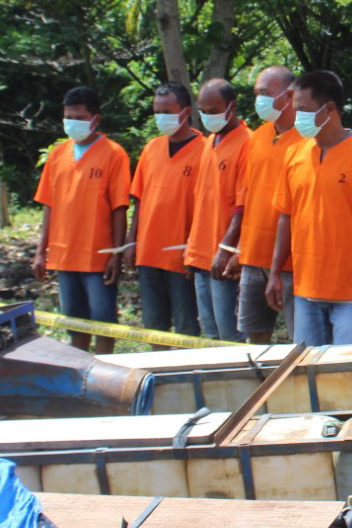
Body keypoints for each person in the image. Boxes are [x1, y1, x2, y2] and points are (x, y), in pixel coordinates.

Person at [267, 70, 352, 345]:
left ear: (329, 109)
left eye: (303, 110)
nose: (298, 117)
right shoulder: (294, 154)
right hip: (306, 289)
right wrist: (274, 273)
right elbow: (285, 217)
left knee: (348, 373)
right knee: (308, 371)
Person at [32, 86, 131, 354]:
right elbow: (48, 205)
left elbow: (119, 207)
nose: (72, 123)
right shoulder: (57, 154)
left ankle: (104, 372)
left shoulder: (114, 153)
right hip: (64, 255)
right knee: (74, 322)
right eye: (68, 117)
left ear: (95, 119)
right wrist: (41, 252)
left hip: (98, 255)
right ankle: (79, 369)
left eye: (78, 117)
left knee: (103, 321)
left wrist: (117, 254)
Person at [124, 82, 203, 343]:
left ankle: (186, 378)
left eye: (167, 111)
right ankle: (156, 379)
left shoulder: (205, 150)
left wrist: (196, 249)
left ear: (185, 111)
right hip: (148, 252)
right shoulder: (151, 149)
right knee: (153, 325)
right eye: (157, 111)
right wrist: (131, 240)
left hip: (181, 254)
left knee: (185, 325)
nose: (161, 117)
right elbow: (139, 200)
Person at [231, 66, 303, 343]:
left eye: (264, 93)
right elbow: (249, 192)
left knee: (302, 341)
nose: (258, 100)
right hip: (253, 256)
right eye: (256, 93)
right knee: (254, 338)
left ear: (290, 95)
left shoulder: (310, 139)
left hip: (293, 260)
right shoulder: (259, 136)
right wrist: (238, 246)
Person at [184, 79, 251, 342]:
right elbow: (201, 200)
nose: (207, 117)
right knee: (209, 335)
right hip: (201, 254)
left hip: (224, 258)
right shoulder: (209, 142)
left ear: (231, 107)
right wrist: (192, 251)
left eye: (213, 111)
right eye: (203, 110)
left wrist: (226, 249)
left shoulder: (248, 142)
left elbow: (242, 205)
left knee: (230, 336)